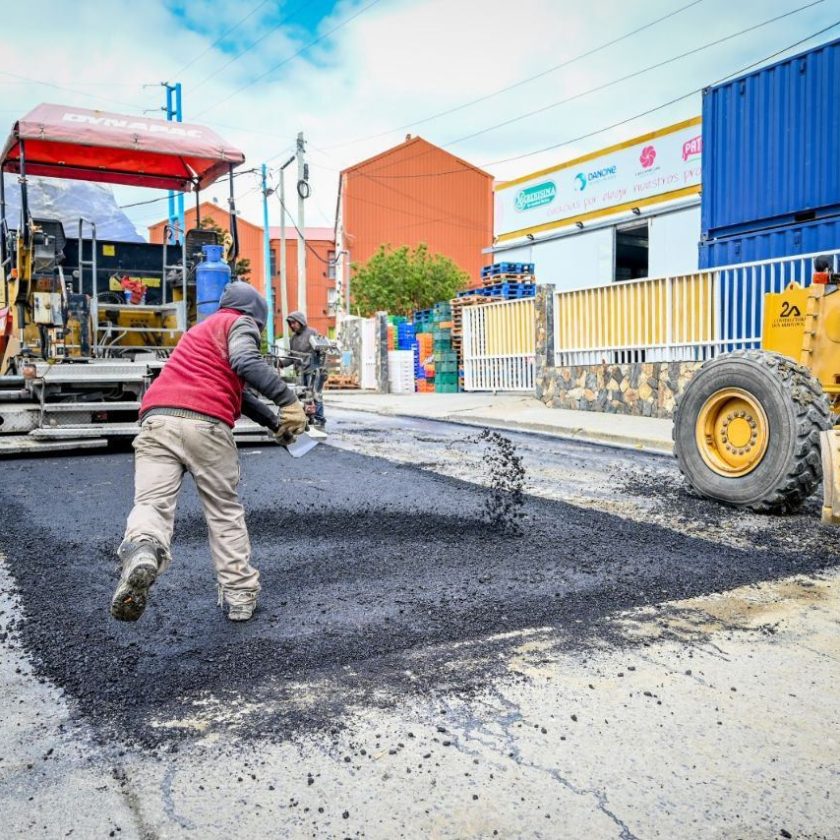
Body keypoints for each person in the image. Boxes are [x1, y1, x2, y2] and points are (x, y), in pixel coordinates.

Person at [110, 282, 307, 624]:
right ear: (255, 316)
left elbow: (235, 391)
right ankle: (240, 594)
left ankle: (143, 549)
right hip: (206, 427)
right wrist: (288, 401)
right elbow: (246, 361)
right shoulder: (239, 323)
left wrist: (273, 423)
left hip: (158, 420)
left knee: (151, 504)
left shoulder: (198, 334)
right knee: (223, 510)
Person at [284, 310, 326, 428]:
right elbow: (291, 357)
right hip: (300, 372)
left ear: (301, 322)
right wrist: (280, 363)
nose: (292, 325)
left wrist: (321, 368)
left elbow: (321, 351)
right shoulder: (293, 339)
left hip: (313, 370)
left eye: (294, 323)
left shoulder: (312, 333)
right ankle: (307, 418)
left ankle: (319, 418)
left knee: (315, 394)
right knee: (302, 395)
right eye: (290, 323)